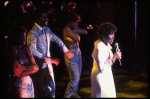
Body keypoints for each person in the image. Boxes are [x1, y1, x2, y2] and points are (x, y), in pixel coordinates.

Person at [27, 9, 74, 98]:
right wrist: (45, 58)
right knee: (39, 91)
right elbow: (31, 50)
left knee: (51, 88)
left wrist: (66, 50)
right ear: (36, 19)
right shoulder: (33, 32)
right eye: (43, 17)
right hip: (38, 66)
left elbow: (56, 39)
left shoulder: (47, 29)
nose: (46, 19)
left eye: (46, 17)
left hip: (48, 65)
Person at [91, 22, 121, 98]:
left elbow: (93, 56)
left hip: (106, 75)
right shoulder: (99, 47)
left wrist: (114, 57)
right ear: (104, 35)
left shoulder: (105, 45)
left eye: (113, 34)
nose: (113, 36)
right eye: (111, 34)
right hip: (101, 77)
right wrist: (113, 58)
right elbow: (101, 69)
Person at [9, 26, 39, 98]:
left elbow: (36, 67)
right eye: (22, 37)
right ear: (17, 37)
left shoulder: (27, 49)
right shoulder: (14, 50)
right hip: (19, 83)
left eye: (25, 36)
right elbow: (17, 72)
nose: (24, 39)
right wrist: (31, 68)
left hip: (28, 80)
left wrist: (23, 68)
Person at [63, 13, 87, 98]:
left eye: (77, 22)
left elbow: (85, 31)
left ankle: (74, 92)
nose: (76, 24)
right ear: (70, 22)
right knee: (75, 78)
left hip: (77, 52)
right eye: (75, 22)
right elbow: (78, 38)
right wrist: (76, 30)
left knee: (78, 75)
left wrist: (75, 30)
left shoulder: (73, 29)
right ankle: (67, 96)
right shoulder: (66, 29)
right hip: (71, 54)